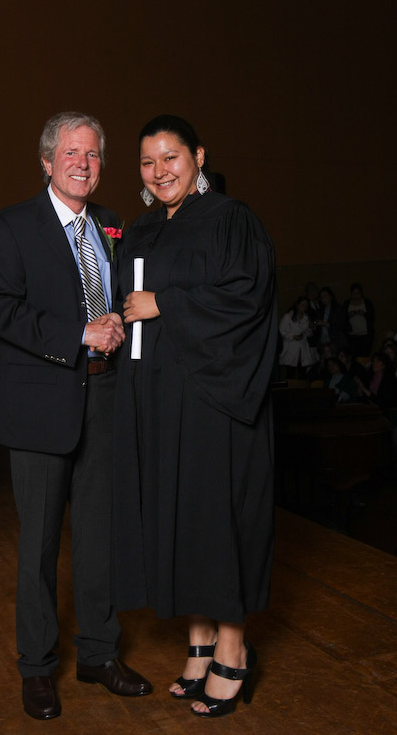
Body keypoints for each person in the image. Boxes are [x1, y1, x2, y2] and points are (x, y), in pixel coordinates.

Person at [0, 112, 151, 720]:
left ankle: (99, 655)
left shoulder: (110, 224)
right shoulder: (13, 228)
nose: (83, 162)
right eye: (71, 152)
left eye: (93, 154)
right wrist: (79, 334)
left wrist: (123, 322)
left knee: (100, 538)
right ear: (47, 161)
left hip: (105, 400)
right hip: (41, 406)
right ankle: (37, 666)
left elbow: (123, 296)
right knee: (41, 545)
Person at [113, 115, 277, 718]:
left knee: (217, 520)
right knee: (180, 520)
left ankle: (234, 645)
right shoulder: (144, 229)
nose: (160, 172)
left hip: (216, 401)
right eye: (148, 163)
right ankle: (200, 641)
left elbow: (246, 300)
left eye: (171, 158)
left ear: (199, 156)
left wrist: (165, 304)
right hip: (162, 401)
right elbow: (128, 306)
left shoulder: (233, 220)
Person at [278, 296, 317, 379]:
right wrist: (293, 336)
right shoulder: (287, 317)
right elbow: (282, 331)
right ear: (297, 305)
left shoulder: (306, 318)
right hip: (291, 348)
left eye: (306, 306)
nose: (304, 307)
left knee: (302, 374)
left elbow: (309, 334)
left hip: (302, 348)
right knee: (290, 374)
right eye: (303, 305)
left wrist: (310, 327)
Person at [341, 282, 375, 357]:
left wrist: (364, 314)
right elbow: (342, 318)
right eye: (354, 293)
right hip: (352, 335)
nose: (356, 295)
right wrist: (348, 315)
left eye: (358, 293)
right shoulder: (347, 303)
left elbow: (372, 317)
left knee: (364, 355)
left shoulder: (367, 303)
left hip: (365, 335)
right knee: (353, 355)